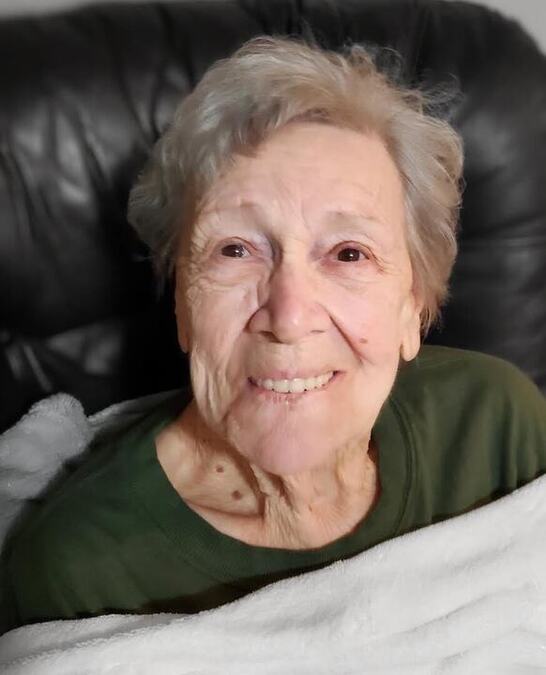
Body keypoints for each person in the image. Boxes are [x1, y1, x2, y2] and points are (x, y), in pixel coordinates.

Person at [4, 36, 546, 628]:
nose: (288, 319)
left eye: (349, 253)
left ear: (412, 309)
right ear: (183, 306)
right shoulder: (78, 574)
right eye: (235, 249)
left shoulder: (498, 429)